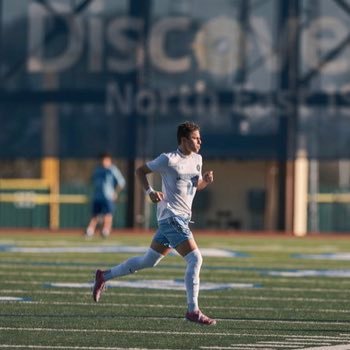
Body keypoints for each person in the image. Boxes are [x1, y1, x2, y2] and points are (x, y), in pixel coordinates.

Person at [92, 121, 216, 325]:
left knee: (148, 261)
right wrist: (150, 192)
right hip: (171, 217)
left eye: (199, 137)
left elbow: (195, 186)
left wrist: (205, 182)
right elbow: (140, 171)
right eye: (195, 138)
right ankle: (193, 310)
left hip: (181, 218)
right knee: (196, 259)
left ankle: (103, 276)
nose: (200, 141)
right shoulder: (168, 159)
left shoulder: (198, 159)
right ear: (184, 140)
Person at [85, 152, 126, 238]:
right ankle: (90, 230)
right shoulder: (97, 170)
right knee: (95, 214)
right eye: (102, 160)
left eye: (106, 160)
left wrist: (115, 192)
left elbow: (121, 182)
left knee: (108, 214)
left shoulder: (112, 169)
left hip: (108, 196)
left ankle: (105, 230)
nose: (104, 162)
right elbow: (91, 180)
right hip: (97, 196)